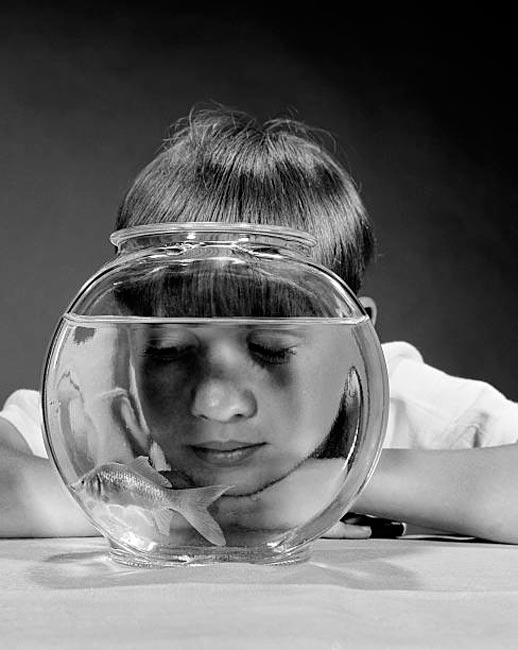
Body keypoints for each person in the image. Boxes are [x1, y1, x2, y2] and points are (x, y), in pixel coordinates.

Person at [1, 105, 518, 543]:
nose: (215, 402)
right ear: (129, 341)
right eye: (167, 349)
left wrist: (340, 483)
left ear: (360, 340)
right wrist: (181, 510)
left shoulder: (412, 409)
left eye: (271, 350)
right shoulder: (101, 415)